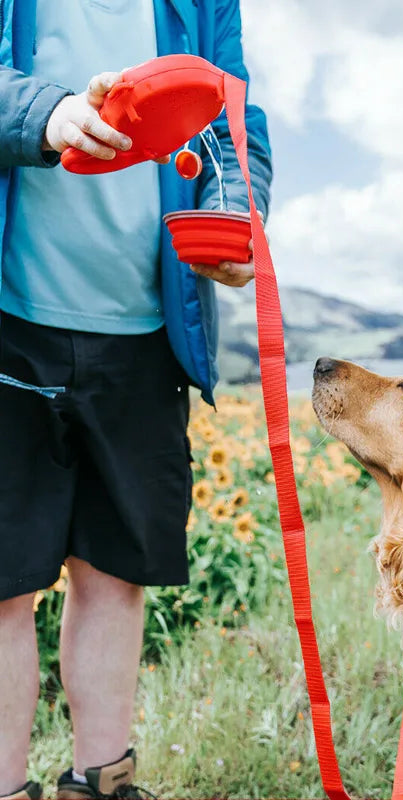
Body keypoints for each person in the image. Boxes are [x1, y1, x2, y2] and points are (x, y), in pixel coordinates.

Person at [0, 1, 272, 798]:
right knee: (5, 585)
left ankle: (103, 782)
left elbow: (233, 117)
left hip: (149, 331)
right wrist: (46, 113)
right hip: (11, 323)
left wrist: (237, 211)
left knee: (116, 575)